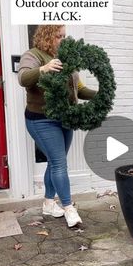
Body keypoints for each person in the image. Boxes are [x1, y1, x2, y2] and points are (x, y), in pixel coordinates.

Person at [18, 25, 97, 227]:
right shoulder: (33, 55)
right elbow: (23, 78)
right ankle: (69, 207)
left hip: (65, 118)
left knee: (55, 162)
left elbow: (79, 89)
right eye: (58, 36)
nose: (63, 39)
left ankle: (48, 203)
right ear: (47, 36)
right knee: (59, 163)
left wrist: (100, 94)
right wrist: (43, 68)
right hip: (41, 120)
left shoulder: (66, 58)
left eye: (64, 35)